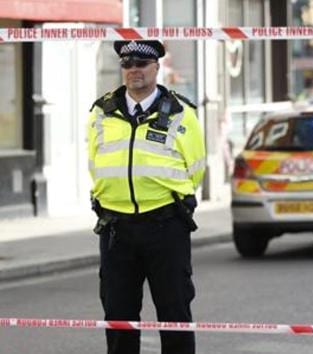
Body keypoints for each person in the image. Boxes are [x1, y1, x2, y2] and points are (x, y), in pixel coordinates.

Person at [87, 40, 205, 354]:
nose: (134, 70)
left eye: (141, 63)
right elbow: (94, 162)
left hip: (165, 225)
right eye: (127, 64)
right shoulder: (102, 111)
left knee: (174, 314)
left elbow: (196, 169)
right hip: (116, 228)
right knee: (118, 316)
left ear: (156, 67)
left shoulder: (181, 113)